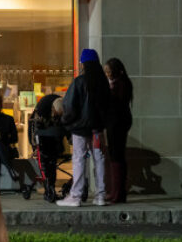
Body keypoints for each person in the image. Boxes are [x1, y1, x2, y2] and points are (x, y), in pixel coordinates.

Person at [57, 48, 111, 207]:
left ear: (83, 64)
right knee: (99, 160)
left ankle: (76, 196)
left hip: (80, 128)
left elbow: (69, 106)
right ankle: (100, 195)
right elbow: (108, 108)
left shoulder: (79, 81)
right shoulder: (103, 83)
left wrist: (66, 122)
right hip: (97, 130)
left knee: (79, 160)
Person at [105, 57, 134, 205]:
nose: (107, 74)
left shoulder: (120, 85)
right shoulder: (118, 84)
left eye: (108, 71)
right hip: (116, 123)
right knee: (114, 156)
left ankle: (119, 193)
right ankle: (115, 191)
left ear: (115, 71)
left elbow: (116, 104)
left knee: (117, 156)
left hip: (118, 124)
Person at [30, 92, 65, 203]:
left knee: (52, 164)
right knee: (45, 163)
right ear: (52, 109)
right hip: (42, 135)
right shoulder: (42, 108)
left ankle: (50, 189)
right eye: (55, 114)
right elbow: (34, 129)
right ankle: (48, 189)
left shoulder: (61, 105)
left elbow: (61, 128)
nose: (55, 116)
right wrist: (35, 146)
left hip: (51, 136)